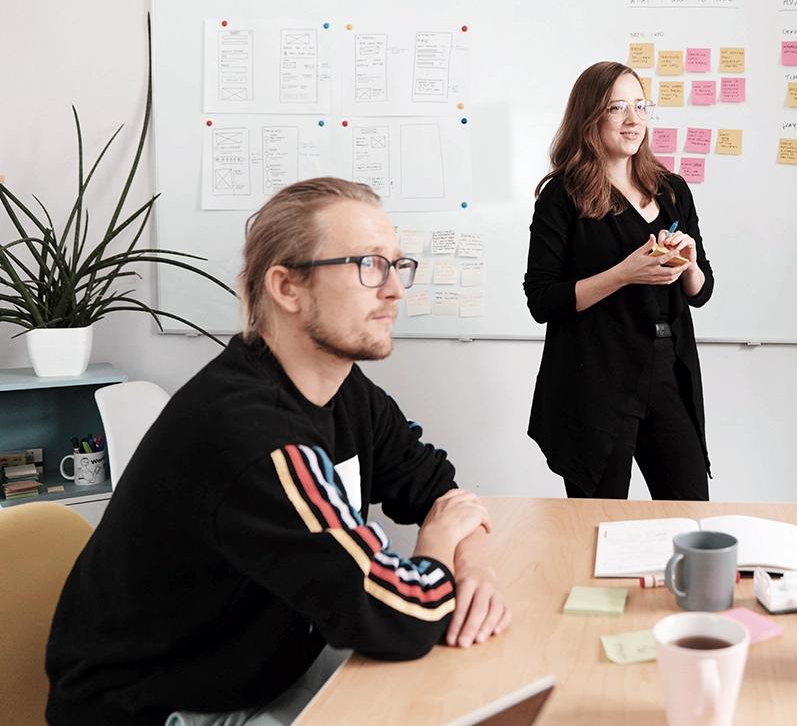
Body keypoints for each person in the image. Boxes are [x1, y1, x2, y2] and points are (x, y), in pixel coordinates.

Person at [46, 178, 511, 726]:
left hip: (268, 666)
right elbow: (399, 614)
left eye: (396, 265)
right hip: (156, 707)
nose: (394, 290)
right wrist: (436, 543)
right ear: (287, 288)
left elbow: (437, 485)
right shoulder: (253, 433)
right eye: (368, 265)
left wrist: (476, 567)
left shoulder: (341, 388)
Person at [524, 61, 715, 500]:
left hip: (667, 367)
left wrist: (687, 264)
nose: (633, 120)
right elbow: (542, 299)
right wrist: (623, 274)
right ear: (590, 117)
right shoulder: (562, 195)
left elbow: (702, 292)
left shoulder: (672, 189)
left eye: (640, 106)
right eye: (617, 108)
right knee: (599, 520)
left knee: (688, 511)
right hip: (596, 379)